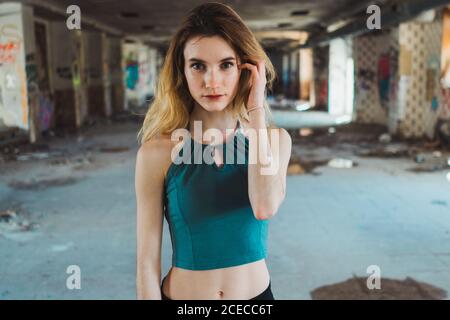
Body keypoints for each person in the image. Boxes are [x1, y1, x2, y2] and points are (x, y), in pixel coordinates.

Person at [135, 2, 291, 300]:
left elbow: (264, 206)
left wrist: (256, 111)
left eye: (225, 64)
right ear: (182, 71)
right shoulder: (156, 153)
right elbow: (146, 263)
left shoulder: (274, 141)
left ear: (245, 68)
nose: (212, 81)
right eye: (198, 66)